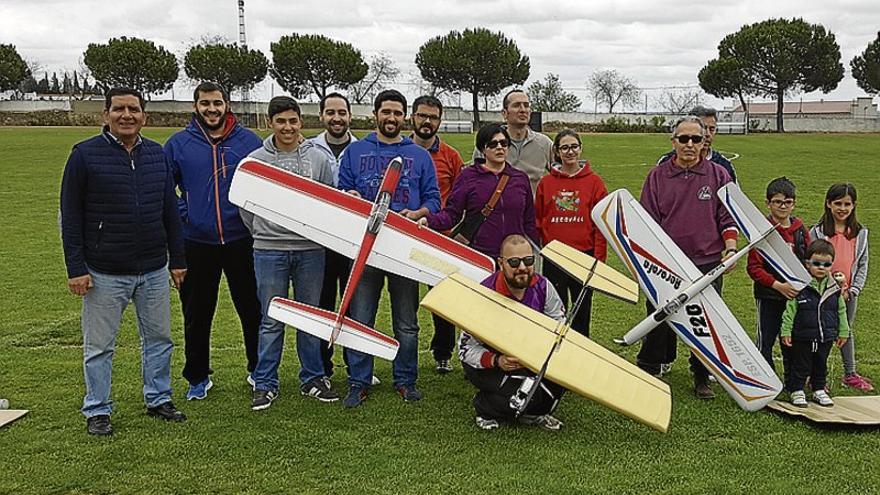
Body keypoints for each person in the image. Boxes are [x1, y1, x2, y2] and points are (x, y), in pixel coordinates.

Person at [61, 87, 187, 436]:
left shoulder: (157, 155)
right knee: (100, 346)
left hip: (153, 268)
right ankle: (97, 409)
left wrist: (177, 259)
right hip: (104, 271)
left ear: (144, 115)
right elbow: (70, 216)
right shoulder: (84, 155)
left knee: (160, 339)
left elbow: (169, 212)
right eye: (119, 109)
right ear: (106, 115)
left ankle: (159, 398)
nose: (126, 115)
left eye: (133, 109)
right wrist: (76, 268)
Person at [336, 89, 441, 408]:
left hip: (402, 250)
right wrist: (350, 197)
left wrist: (419, 213)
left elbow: (433, 199)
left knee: (406, 321)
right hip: (366, 248)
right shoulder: (355, 152)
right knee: (361, 316)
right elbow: (342, 191)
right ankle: (359, 380)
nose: (391, 118)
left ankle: (405, 379)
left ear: (404, 117)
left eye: (397, 113)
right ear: (375, 114)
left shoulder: (420, 156)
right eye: (386, 112)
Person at [164, 82, 263, 400]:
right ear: (195, 106)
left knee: (251, 309)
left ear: (227, 105)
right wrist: (186, 212)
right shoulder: (179, 144)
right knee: (196, 312)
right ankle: (197, 377)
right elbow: (167, 190)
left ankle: (258, 370)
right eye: (205, 103)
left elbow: (263, 186)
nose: (211, 109)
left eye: (217, 103)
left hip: (242, 239)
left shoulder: (249, 142)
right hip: (197, 241)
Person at [240, 96, 338, 411]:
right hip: (269, 249)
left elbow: (328, 201)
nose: (287, 127)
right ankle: (265, 383)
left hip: (310, 250)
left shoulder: (318, 159)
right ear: (271, 123)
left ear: (301, 122)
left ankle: (312, 378)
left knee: (310, 318)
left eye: (293, 121)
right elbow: (245, 206)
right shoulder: (256, 159)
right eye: (281, 121)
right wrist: (264, 231)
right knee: (271, 318)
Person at [638, 116, 738, 399]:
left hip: (706, 263)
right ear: (674, 143)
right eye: (684, 139)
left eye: (696, 139)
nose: (690, 144)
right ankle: (649, 366)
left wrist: (730, 249)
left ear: (704, 142)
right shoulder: (657, 176)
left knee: (704, 322)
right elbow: (648, 223)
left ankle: (702, 374)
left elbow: (727, 217)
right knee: (659, 316)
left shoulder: (718, 175)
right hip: (665, 264)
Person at [459, 234, 566, 431]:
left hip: (528, 358)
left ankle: (532, 413)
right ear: (501, 263)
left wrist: (538, 350)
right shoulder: (484, 293)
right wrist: (496, 360)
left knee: (554, 391)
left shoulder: (543, 287)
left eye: (528, 260)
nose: (522, 268)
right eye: (514, 262)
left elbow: (560, 326)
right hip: (489, 363)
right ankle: (484, 406)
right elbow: (465, 348)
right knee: (524, 394)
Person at [421, 123, 540, 260]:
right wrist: (429, 220)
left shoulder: (520, 178)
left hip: (513, 258)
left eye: (504, 143)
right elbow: (452, 214)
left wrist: (532, 251)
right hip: (479, 255)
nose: (499, 147)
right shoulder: (468, 176)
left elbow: (529, 221)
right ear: (483, 149)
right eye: (493, 144)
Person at [410, 95, 465, 374]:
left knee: (443, 298)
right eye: (422, 116)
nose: (427, 121)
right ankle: (405, 355)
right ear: (413, 117)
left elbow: (459, 199)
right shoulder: (402, 149)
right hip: (404, 235)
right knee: (405, 298)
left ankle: (443, 352)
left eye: (432, 117)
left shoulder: (451, 156)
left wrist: (453, 232)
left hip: (440, 237)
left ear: (439, 121)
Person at [534, 129, 608, 337]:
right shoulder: (547, 183)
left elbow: (601, 224)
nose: (570, 152)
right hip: (555, 256)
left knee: (581, 310)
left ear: (580, 148)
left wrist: (598, 259)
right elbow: (538, 219)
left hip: (583, 255)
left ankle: (581, 350)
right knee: (555, 308)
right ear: (557, 152)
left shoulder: (594, 182)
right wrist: (546, 247)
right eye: (564, 148)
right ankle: (555, 349)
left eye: (574, 146)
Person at [310, 92, 358, 379]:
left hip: (353, 242)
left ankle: (356, 366)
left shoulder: (363, 149)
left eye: (342, 112)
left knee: (354, 305)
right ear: (322, 116)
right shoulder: (309, 148)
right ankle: (324, 366)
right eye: (331, 112)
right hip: (321, 240)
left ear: (349, 116)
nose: (336, 118)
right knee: (324, 303)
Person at [746, 177, 810, 387]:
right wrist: (777, 285)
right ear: (768, 203)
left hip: (795, 297)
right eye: (777, 202)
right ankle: (764, 381)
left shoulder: (801, 230)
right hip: (769, 296)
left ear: (794, 203)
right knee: (766, 339)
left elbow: (809, 260)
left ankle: (793, 383)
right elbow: (754, 268)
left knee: (792, 340)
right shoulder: (762, 230)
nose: (783, 206)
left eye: (788, 202)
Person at [810, 184, 872, 392]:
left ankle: (850, 374)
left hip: (848, 294)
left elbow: (862, 263)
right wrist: (831, 287)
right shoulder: (818, 231)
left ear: (854, 206)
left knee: (846, 330)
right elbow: (812, 262)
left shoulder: (860, 233)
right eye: (838, 203)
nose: (842, 208)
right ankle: (817, 376)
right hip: (824, 292)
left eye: (847, 204)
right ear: (828, 204)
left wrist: (853, 289)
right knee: (822, 332)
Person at [781, 239, 850, 407]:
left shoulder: (834, 289)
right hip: (803, 335)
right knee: (801, 363)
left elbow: (841, 310)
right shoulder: (800, 287)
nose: (821, 268)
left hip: (825, 336)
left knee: (820, 363)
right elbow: (790, 311)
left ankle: (819, 389)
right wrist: (786, 331)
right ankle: (796, 389)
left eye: (826, 264)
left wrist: (843, 332)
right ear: (807, 264)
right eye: (816, 263)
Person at [473, 89, 553, 194]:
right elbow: (474, 179)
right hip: (496, 207)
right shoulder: (489, 144)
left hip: (531, 209)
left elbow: (562, 174)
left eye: (526, 105)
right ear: (505, 113)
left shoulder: (544, 143)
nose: (523, 110)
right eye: (516, 105)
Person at [656, 106, 737, 182]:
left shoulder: (723, 165)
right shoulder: (666, 162)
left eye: (712, 129)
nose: (708, 134)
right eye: (703, 128)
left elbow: (734, 196)